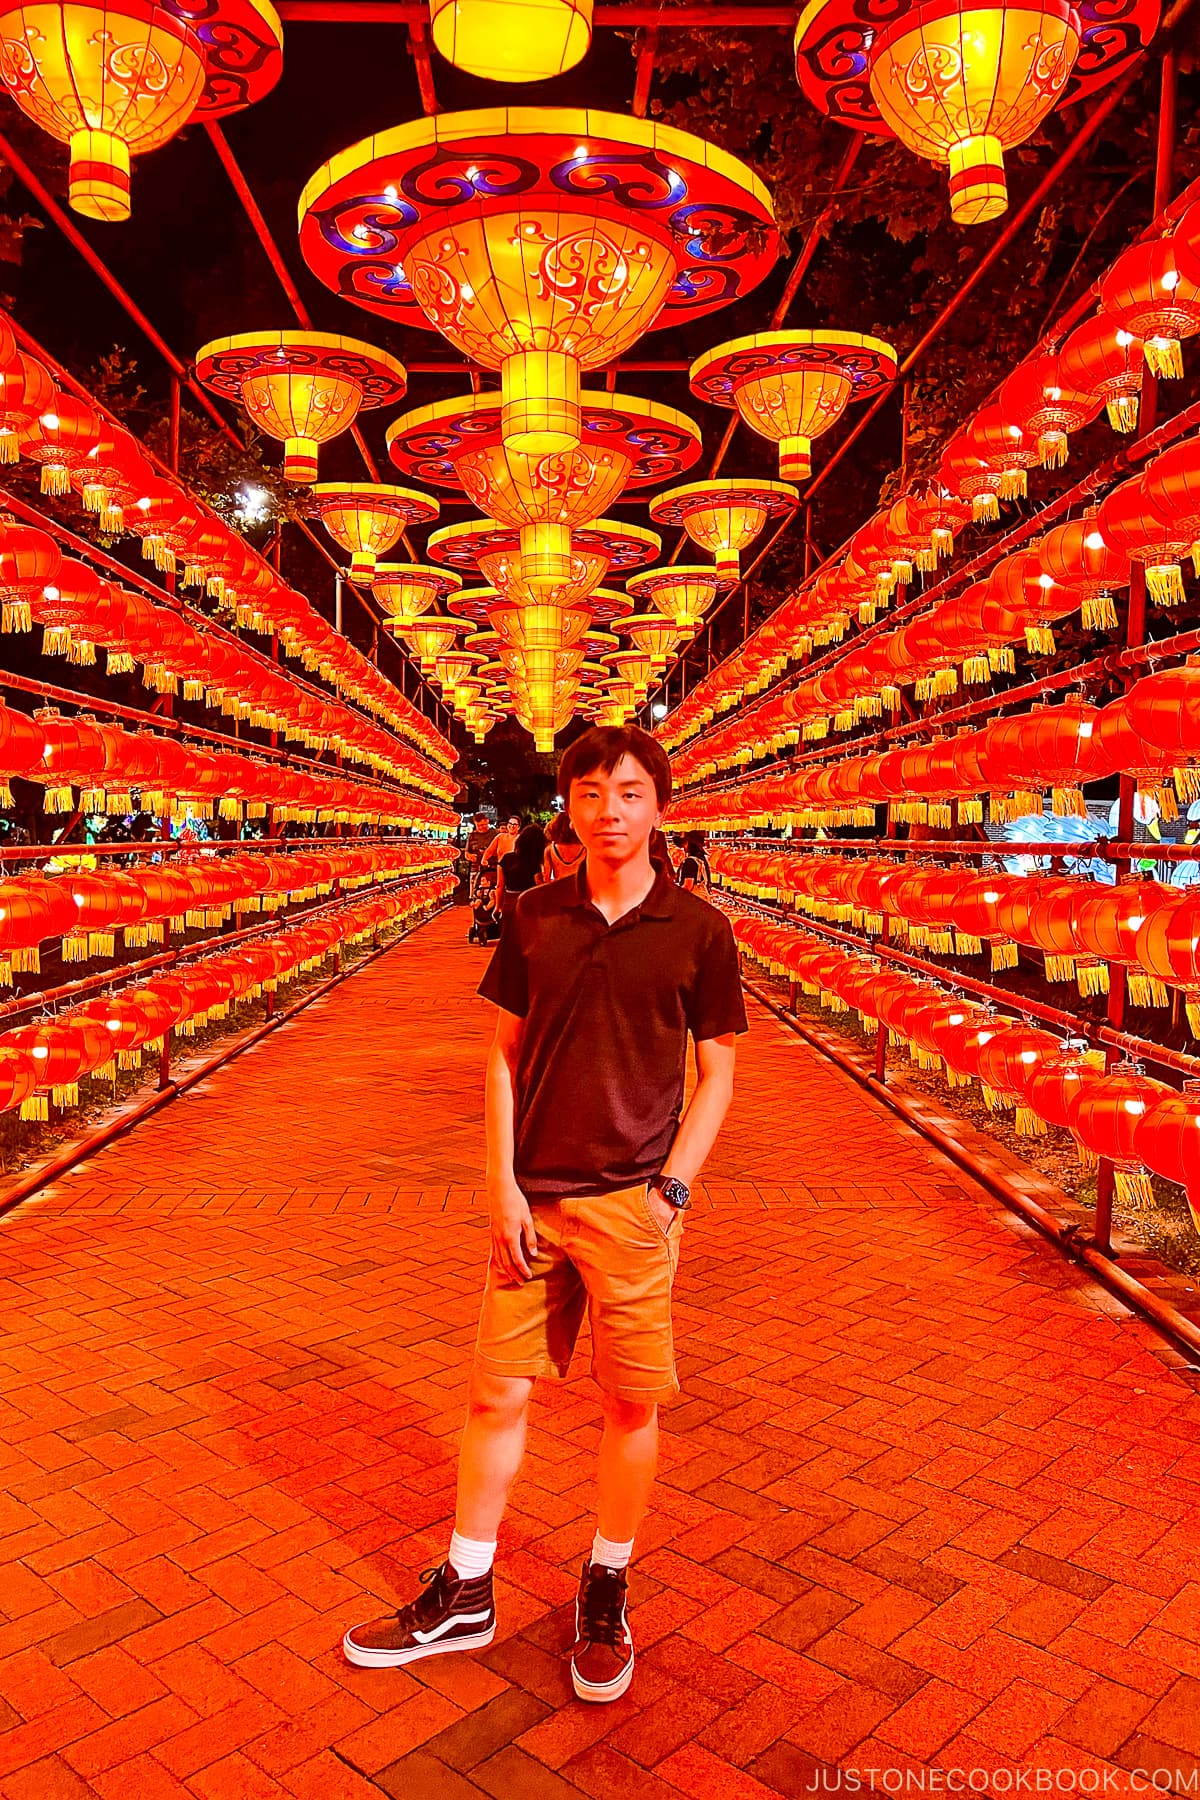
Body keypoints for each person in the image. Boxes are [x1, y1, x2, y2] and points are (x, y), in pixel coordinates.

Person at [344, 724, 747, 1705]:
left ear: (659, 806)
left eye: (629, 792)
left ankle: (606, 1583)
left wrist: (673, 1191)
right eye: (591, 793)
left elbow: (720, 1071)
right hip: (533, 1204)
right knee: (494, 1394)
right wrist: (499, 1186)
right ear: (568, 806)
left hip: (633, 1206)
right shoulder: (532, 916)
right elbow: (501, 1057)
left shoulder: (699, 930)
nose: (609, 811)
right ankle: (468, 1584)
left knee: (630, 1402)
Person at [496, 823, 547, 923]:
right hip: (529, 901)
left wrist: (498, 907)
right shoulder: (534, 862)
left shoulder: (506, 859)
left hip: (509, 901)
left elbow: (499, 886)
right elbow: (538, 884)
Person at [539, 809, 585, 882]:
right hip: (578, 889)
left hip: (559, 890)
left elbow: (546, 878)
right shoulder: (585, 849)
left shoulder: (550, 850)